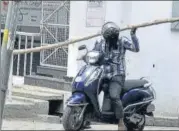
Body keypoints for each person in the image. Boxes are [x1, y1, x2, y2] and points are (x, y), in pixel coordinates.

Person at [92, 22, 140, 130]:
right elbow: (93, 53)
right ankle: (87, 116)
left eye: (112, 39)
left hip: (117, 75)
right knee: (90, 89)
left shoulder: (122, 41)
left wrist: (133, 34)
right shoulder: (102, 42)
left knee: (114, 95)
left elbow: (136, 49)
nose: (110, 42)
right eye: (109, 39)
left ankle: (121, 120)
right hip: (103, 75)